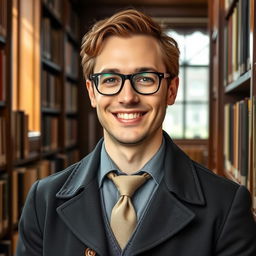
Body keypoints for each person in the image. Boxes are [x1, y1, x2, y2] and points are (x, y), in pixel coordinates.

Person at [16, 9, 256, 256]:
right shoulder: (42, 201)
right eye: (110, 79)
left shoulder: (226, 205)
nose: (128, 97)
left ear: (171, 90)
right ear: (91, 92)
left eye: (145, 78)